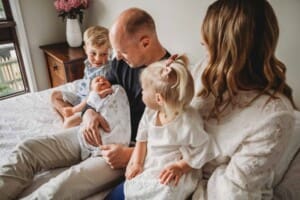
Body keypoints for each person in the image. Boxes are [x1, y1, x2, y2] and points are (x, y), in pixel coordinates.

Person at [0, 8, 170, 200]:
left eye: (122, 51)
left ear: (145, 42)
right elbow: (98, 93)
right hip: (93, 131)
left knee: (58, 187)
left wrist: (130, 154)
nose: (117, 57)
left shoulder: (169, 78)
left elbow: (171, 140)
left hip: (118, 152)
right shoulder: (122, 62)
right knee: (27, 150)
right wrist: (89, 114)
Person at [190, 0, 297, 199]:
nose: (201, 43)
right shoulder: (204, 70)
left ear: (229, 48)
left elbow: (231, 193)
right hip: (171, 178)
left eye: (208, 43)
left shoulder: (274, 116)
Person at [122, 55, 218, 200]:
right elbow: (142, 138)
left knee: (167, 190)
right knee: (134, 184)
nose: (141, 92)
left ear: (159, 99)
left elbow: (203, 149)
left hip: (176, 166)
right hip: (153, 160)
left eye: (143, 90)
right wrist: (137, 163)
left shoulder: (188, 122)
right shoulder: (150, 112)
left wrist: (181, 167)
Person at [51, 25, 111, 128]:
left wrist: (75, 110)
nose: (98, 59)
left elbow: (93, 98)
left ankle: (70, 118)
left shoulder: (104, 72)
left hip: (90, 105)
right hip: (80, 97)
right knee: (54, 95)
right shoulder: (88, 63)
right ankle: (68, 115)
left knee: (68, 125)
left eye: (103, 54)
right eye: (93, 53)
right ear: (85, 49)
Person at [78, 76, 131, 159]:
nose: (102, 80)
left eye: (105, 79)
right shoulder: (94, 97)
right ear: (92, 90)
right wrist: (96, 97)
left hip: (121, 142)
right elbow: (90, 104)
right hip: (95, 128)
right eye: (97, 81)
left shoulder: (116, 90)